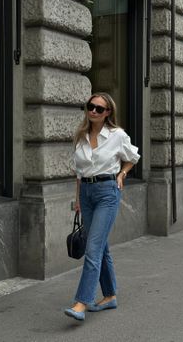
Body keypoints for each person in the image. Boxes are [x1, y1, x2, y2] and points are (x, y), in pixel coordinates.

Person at [64, 92, 140, 321]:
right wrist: (78, 199)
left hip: (107, 192)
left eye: (99, 108)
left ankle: (81, 303)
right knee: (101, 247)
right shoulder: (80, 136)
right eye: (91, 106)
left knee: (93, 248)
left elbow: (133, 157)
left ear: (108, 113)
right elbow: (79, 173)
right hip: (86, 193)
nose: (93, 111)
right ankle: (109, 296)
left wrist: (123, 173)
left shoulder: (117, 135)